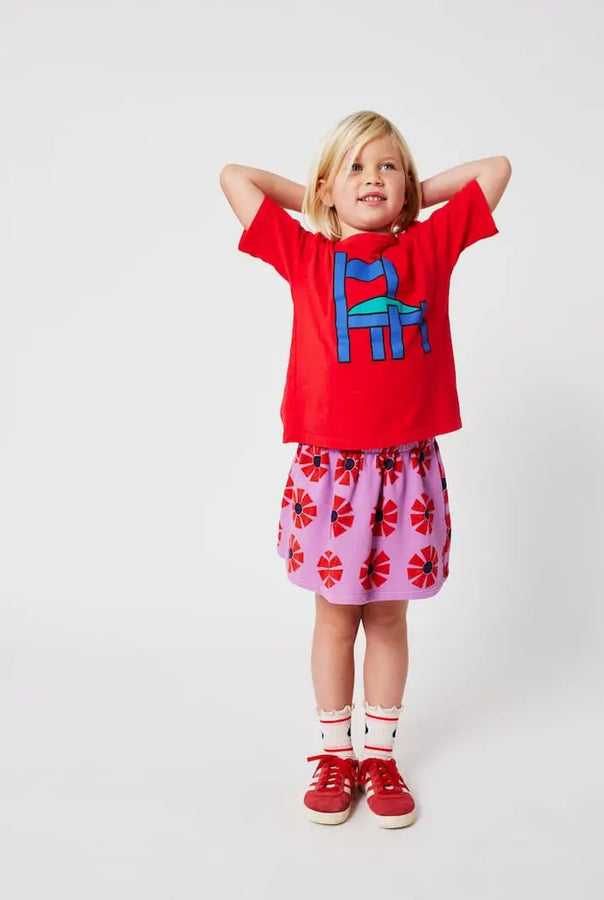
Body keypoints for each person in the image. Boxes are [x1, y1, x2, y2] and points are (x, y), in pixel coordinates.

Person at [219, 110, 511, 828]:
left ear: (408, 190)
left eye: (386, 168)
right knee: (333, 613)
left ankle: (378, 754)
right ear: (326, 189)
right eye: (355, 168)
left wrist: (412, 197)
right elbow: (236, 177)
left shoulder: (429, 248)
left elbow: (494, 168)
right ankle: (333, 752)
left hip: (406, 470)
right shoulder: (307, 255)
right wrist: (319, 203)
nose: (372, 179)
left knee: (386, 615)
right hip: (332, 474)